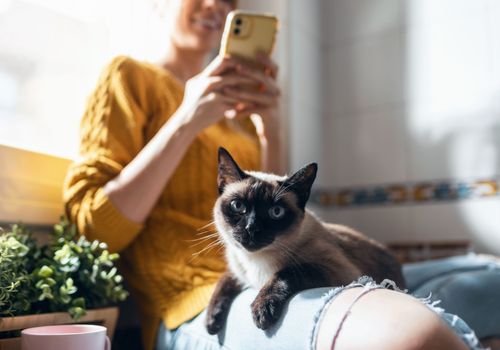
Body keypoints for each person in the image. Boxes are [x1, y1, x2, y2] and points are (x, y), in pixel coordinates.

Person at [63, 0, 497, 349]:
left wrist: (270, 123)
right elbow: (97, 230)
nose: (216, 5)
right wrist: (187, 119)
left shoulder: (235, 117)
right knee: (414, 334)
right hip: (197, 305)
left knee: (490, 274)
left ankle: (387, 309)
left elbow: (280, 206)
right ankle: (393, 314)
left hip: (287, 264)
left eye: (229, 0)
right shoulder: (129, 77)